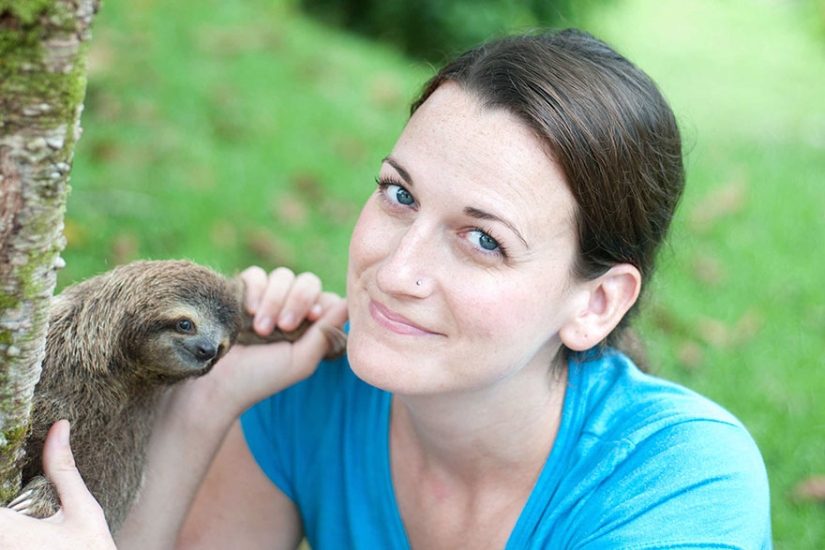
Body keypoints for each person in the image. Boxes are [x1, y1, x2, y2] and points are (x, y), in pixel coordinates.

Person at [0, 29, 772, 549]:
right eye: (399, 195)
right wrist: (206, 403)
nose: (395, 272)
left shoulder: (682, 483)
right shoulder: (303, 398)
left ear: (595, 303)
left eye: (483, 240)